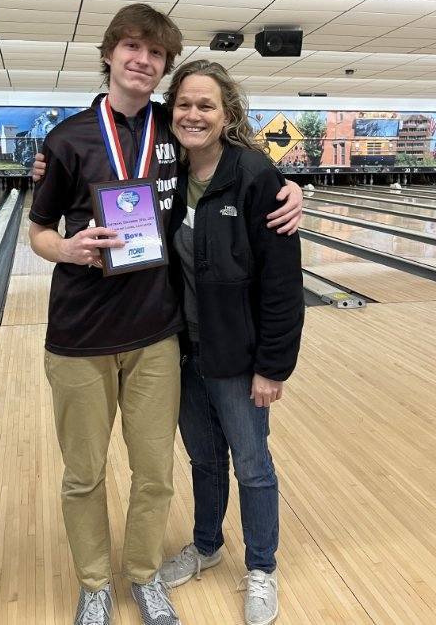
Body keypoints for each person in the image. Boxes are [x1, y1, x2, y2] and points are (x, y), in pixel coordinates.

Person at [28, 4, 303, 625]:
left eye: (155, 55)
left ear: (164, 70)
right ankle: (96, 584)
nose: (142, 61)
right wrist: (66, 249)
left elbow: (237, 158)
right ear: (109, 54)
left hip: (158, 337)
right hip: (80, 337)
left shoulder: (172, 129)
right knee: (84, 475)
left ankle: (146, 576)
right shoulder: (66, 140)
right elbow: (38, 228)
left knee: (156, 474)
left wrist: (291, 187)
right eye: (132, 48)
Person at [159, 60, 304, 625]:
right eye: (185, 104)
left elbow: (281, 284)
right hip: (183, 350)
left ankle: (262, 567)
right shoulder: (167, 172)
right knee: (203, 459)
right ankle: (207, 544)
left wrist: (273, 367)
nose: (193, 114)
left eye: (206, 105)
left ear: (227, 115)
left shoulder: (253, 174)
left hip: (239, 359)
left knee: (252, 464)